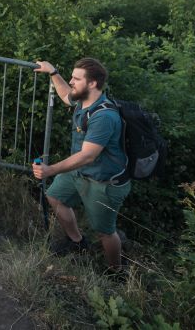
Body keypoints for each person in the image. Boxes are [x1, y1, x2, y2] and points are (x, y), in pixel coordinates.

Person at [32, 57, 130, 270]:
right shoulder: (83, 100)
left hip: (103, 183)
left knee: (105, 231)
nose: (72, 81)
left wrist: (50, 170)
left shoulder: (104, 116)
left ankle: (116, 271)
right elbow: (66, 94)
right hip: (80, 172)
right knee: (55, 196)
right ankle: (77, 242)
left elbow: (87, 156)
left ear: (92, 83)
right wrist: (52, 71)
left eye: (76, 78)